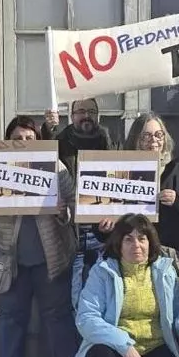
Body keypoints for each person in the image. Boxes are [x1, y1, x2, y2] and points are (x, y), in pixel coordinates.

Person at [0, 114, 80, 357]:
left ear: (39, 141)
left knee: (57, 320)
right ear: (8, 141)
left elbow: (74, 208)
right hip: (10, 258)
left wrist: (62, 211)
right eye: (18, 138)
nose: (23, 142)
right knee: (9, 319)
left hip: (51, 258)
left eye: (29, 139)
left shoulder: (56, 168)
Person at [73, 214, 179, 357]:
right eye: (129, 239)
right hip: (117, 348)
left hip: (155, 344)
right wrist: (125, 346)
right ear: (118, 244)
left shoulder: (165, 270)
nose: (136, 245)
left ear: (151, 242)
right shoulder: (101, 272)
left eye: (142, 239)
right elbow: (87, 318)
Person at [56, 98, 117, 304]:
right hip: (70, 231)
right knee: (70, 297)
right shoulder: (58, 143)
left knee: (101, 297)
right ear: (71, 116)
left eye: (91, 111)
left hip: (103, 232)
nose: (86, 116)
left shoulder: (111, 142)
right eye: (81, 111)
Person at [124, 112, 179, 260]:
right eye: (146, 135)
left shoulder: (177, 170)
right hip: (133, 253)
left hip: (170, 255)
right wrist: (104, 229)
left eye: (159, 134)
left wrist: (178, 201)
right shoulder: (122, 169)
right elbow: (108, 213)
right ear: (136, 140)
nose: (153, 140)